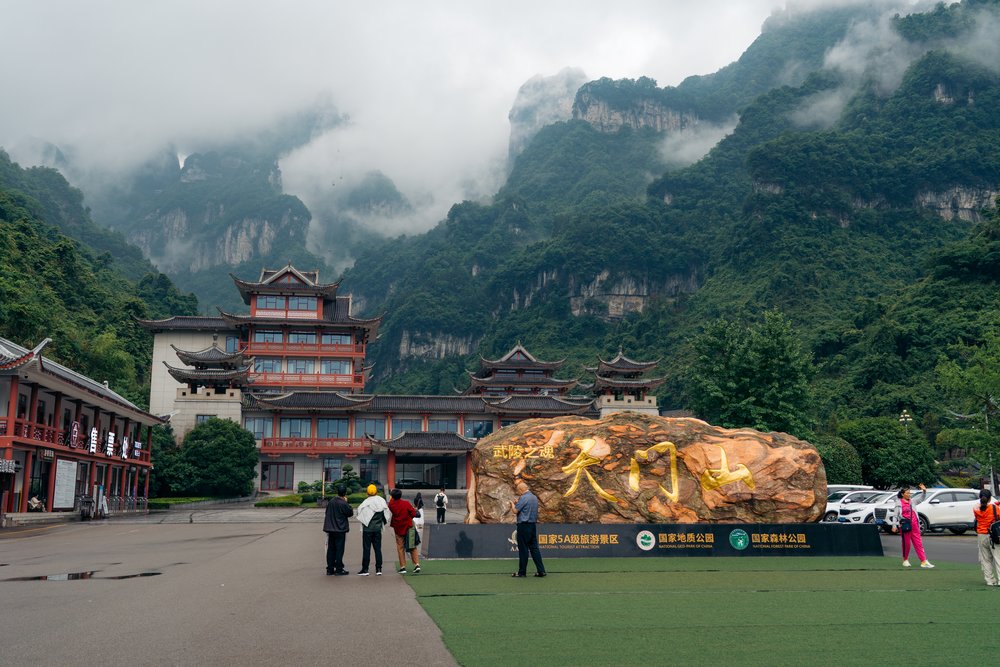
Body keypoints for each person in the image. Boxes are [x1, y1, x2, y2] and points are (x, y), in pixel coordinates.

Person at [510, 479, 546, 578]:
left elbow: (515, 511)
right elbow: (527, 508)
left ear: (521, 490)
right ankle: (541, 571)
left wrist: (513, 504)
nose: (518, 493)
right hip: (532, 525)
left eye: (518, 491)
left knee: (523, 549)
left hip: (523, 525)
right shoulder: (534, 497)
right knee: (534, 548)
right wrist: (519, 502)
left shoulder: (523, 497)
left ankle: (522, 572)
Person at [356, 484, 391, 576]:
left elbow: (359, 513)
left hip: (367, 530)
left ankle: (365, 569)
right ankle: (378, 569)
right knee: (378, 549)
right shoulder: (381, 501)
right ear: (376, 491)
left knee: (366, 549)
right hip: (377, 529)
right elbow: (386, 514)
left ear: (367, 492)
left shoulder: (365, 502)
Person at [896, 484, 933, 569]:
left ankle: (923, 561)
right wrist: (894, 525)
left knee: (918, 543)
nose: (909, 494)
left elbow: (921, 499)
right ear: (902, 494)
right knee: (907, 544)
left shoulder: (912, 501)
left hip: (915, 525)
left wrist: (924, 491)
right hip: (905, 525)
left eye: (910, 493)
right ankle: (905, 560)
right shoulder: (899, 503)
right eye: (907, 493)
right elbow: (895, 515)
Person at [387, 488, 421, 574]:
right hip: (408, 526)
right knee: (412, 545)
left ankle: (403, 567)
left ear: (392, 496)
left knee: (400, 547)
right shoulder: (406, 503)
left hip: (398, 528)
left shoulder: (391, 505)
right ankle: (416, 564)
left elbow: (391, 501)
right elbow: (413, 513)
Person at [323, 485, 353, 576]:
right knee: (339, 549)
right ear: (344, 493)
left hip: (330, 528)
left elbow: (326, 512)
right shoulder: (343, 503)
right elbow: (350, 513)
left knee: (331, 549)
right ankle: (339, 569)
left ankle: (330, 569)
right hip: (340, 529)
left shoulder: (331, 501)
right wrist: (347, 503)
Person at [972, 488, 1000, 586]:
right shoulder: (995, 508)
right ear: (989, 498)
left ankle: (990, 580)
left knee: (985, 559)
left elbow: (979, 512)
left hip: (981, 535)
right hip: (994, 535)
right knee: (998, 558)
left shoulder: (975, 508)